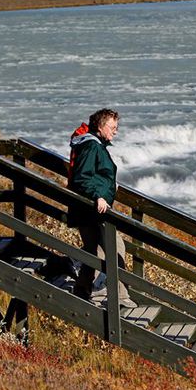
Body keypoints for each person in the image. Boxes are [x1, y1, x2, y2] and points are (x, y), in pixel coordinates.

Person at [68, 108, 135, 307]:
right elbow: (83, 177)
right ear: (100, 125)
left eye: (116, 127)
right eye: (113, 127)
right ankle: (115, 296)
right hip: (92, 210)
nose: (116, 131)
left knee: (96, 250)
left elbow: (93, 175)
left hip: (88, 209)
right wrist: (98, 196)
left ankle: (83, 290)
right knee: (115, 247)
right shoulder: (92, 147)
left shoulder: (93, 145)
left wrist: (108, 186)